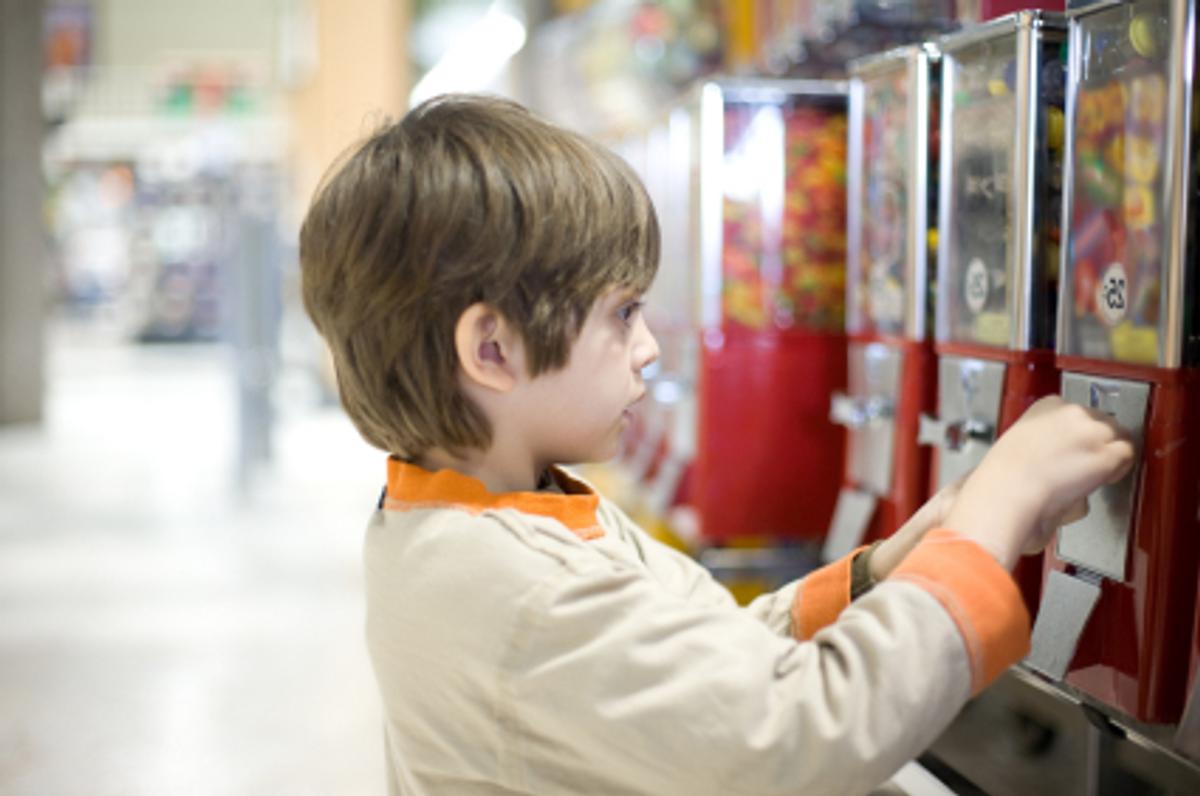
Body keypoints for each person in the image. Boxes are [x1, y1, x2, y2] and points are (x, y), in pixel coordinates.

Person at [298, 94, 1133, 795]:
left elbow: (700, 661)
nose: (650, 346)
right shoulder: (522, 587)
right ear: (492, 350)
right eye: (622, 314)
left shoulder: (500, 515)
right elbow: (804, 732)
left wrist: (891, 569)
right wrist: (994, 517)